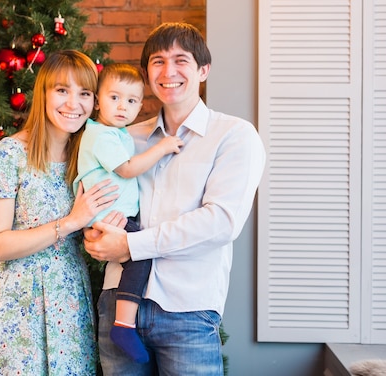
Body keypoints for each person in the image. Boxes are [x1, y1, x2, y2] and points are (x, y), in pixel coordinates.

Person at [84, 22, 266, 375]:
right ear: (146, 74)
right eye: (157, 61)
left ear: (203, 70)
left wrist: (131, 246)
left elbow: (221, 222)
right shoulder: (124, 137)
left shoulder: (234, 136)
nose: (169, 72)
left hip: (188, 310)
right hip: (117, 303)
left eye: (181, 60)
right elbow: (92, 188)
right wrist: (91, 233)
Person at [0, 50, 119, 375]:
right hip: (19, 303)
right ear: (43, 93)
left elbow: (95, 228)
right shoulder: (7, 156)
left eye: (84, 93)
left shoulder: (88, 157)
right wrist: (70, 222)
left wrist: (105, 227)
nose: (74, 104)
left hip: (69, 302)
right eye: (62, 90)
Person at [74, 63, 183, 364]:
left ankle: (124, 323)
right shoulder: (101, 135)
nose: (123, 107)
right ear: (97, 101)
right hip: (108, 217)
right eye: (115, 98)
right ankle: (123, 325)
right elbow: (128, 168)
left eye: (132, 101)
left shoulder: (116, 133)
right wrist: (162, 148)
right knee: (141, 255)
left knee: (137, 258)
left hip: (115, 216)